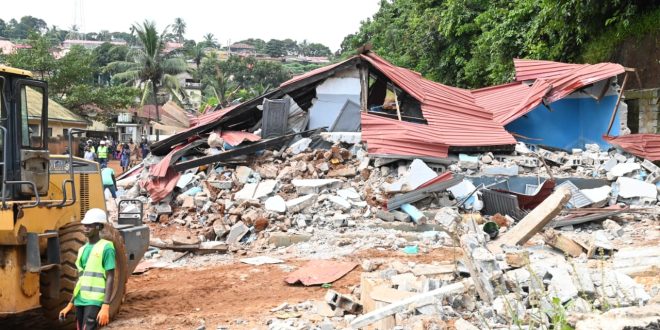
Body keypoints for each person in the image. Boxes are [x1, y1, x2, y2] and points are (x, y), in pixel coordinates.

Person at [58, 208, 115, 329]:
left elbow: (111, 276)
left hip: (95, 301)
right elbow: (81, 280)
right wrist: (70, 304)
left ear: (99, 227)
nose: (85, 228)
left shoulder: (107, 248)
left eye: (90, 225)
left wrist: (106, 305)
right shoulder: (82, 250)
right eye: (85, 225)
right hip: (80, 300)